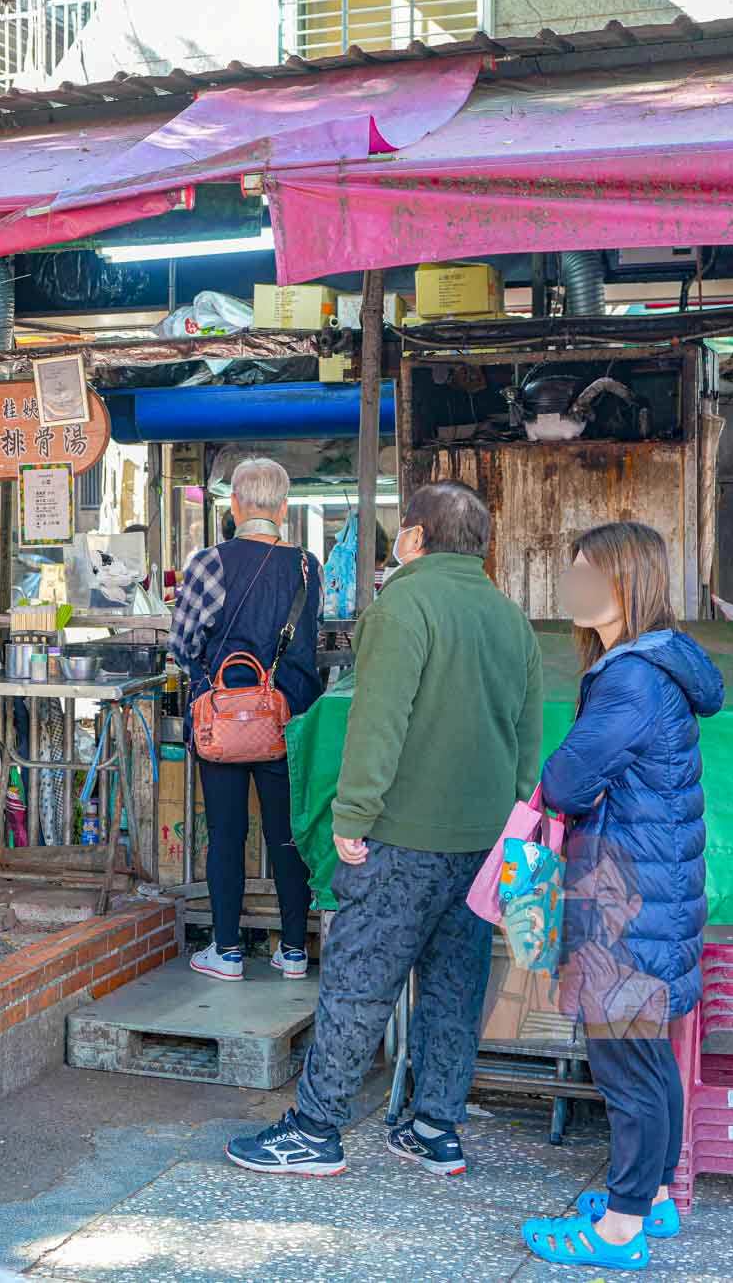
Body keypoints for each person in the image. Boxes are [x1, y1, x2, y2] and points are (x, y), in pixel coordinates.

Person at [229, 480, 541, 1178]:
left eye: (403, 529)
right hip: (484, 843)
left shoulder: (403, 604)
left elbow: (378, 722)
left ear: (416, 538)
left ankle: (315, 1129)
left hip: (401, 837)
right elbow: (528, 738)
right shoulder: (510, 618)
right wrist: (511, 827)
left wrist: (352, 814)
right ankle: (434, 1126)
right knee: (456, 987)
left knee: (360, 981)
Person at [522, 522, 723, 1271]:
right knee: (647, 1059)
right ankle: (653, 1199)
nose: (572, 587)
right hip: (650, 890)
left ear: (627, 583)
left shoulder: (631, 677)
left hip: (625, 897)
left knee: (625, 1067)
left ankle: (621, 1227)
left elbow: (568, 780)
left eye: (586, 574)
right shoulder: (650, 664)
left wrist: (551, 781)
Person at [168, 457, 323, 981]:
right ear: (283, 507)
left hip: (223, 720)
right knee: (287, 835)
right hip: (288, 720)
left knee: (226, 833)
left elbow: (183, 642)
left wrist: (211, 676)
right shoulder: (307, 566)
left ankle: (228, 950)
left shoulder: (209, 562)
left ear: (234, 505)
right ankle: (295, 950)